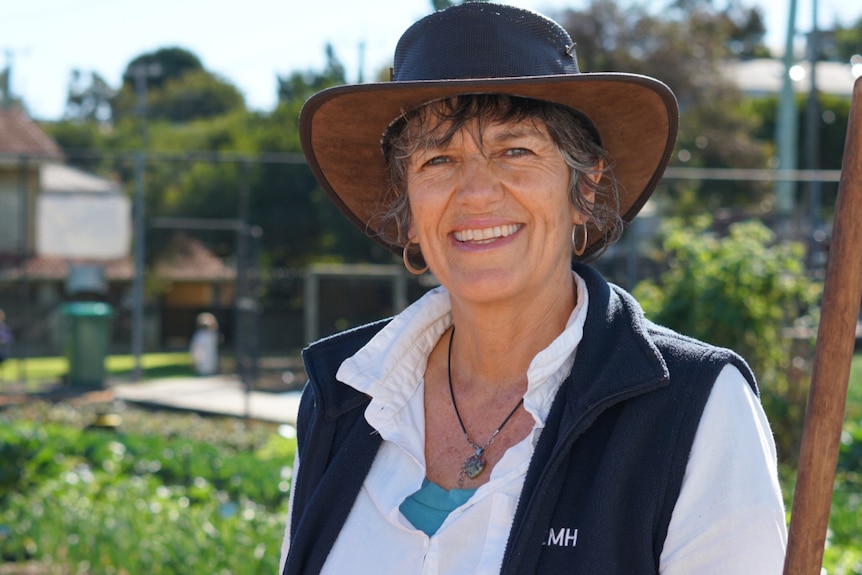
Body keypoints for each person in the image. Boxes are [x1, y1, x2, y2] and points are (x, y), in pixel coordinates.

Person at [279, 3, 787, 574]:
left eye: (515, 150)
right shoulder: (345, 398)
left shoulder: (695, 406)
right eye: (438, 160)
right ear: (409, 209)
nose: (474, 192)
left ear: (584, 188)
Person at [189, 312, 219, 376]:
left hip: (208, 364)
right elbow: (197, 350)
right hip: (204, 365)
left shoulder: (211, 335)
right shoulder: (203, 335)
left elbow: (196, 349)